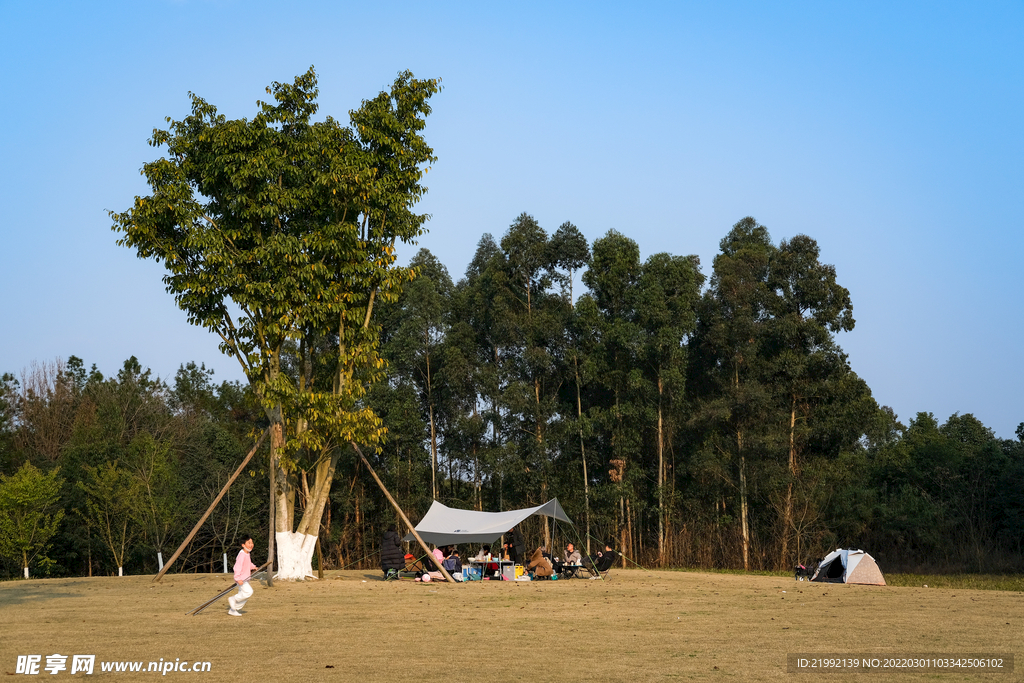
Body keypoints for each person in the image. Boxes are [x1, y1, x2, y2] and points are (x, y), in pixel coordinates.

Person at [228, 535, 258, 616]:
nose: (251, 544)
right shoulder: (241, 554)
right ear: (243, 545)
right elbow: (237, 567)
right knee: (249, 592)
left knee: (245, 595)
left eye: (252, 542)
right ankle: (233, 599)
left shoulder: (247, 554)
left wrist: (253, 567)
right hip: (241, 579)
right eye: (249, 543)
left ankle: (233, 610)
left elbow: (248, 564)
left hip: (245, 578)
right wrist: (237, 579)